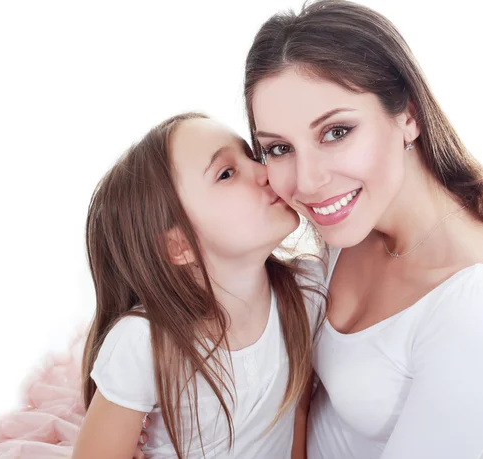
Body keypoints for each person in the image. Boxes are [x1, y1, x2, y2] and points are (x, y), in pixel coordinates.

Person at [244, 1, 483, 457]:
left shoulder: (479, 305)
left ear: (408, 115)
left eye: (336, 132)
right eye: (279, 148)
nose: (306, 182)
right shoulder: (353, 228)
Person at [71, 112, 325, 459]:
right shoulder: (146, 343)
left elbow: (298, 413)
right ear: (179, 246)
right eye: (226, 173)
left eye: (252, 156)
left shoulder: (305, 294)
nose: (267, 171)